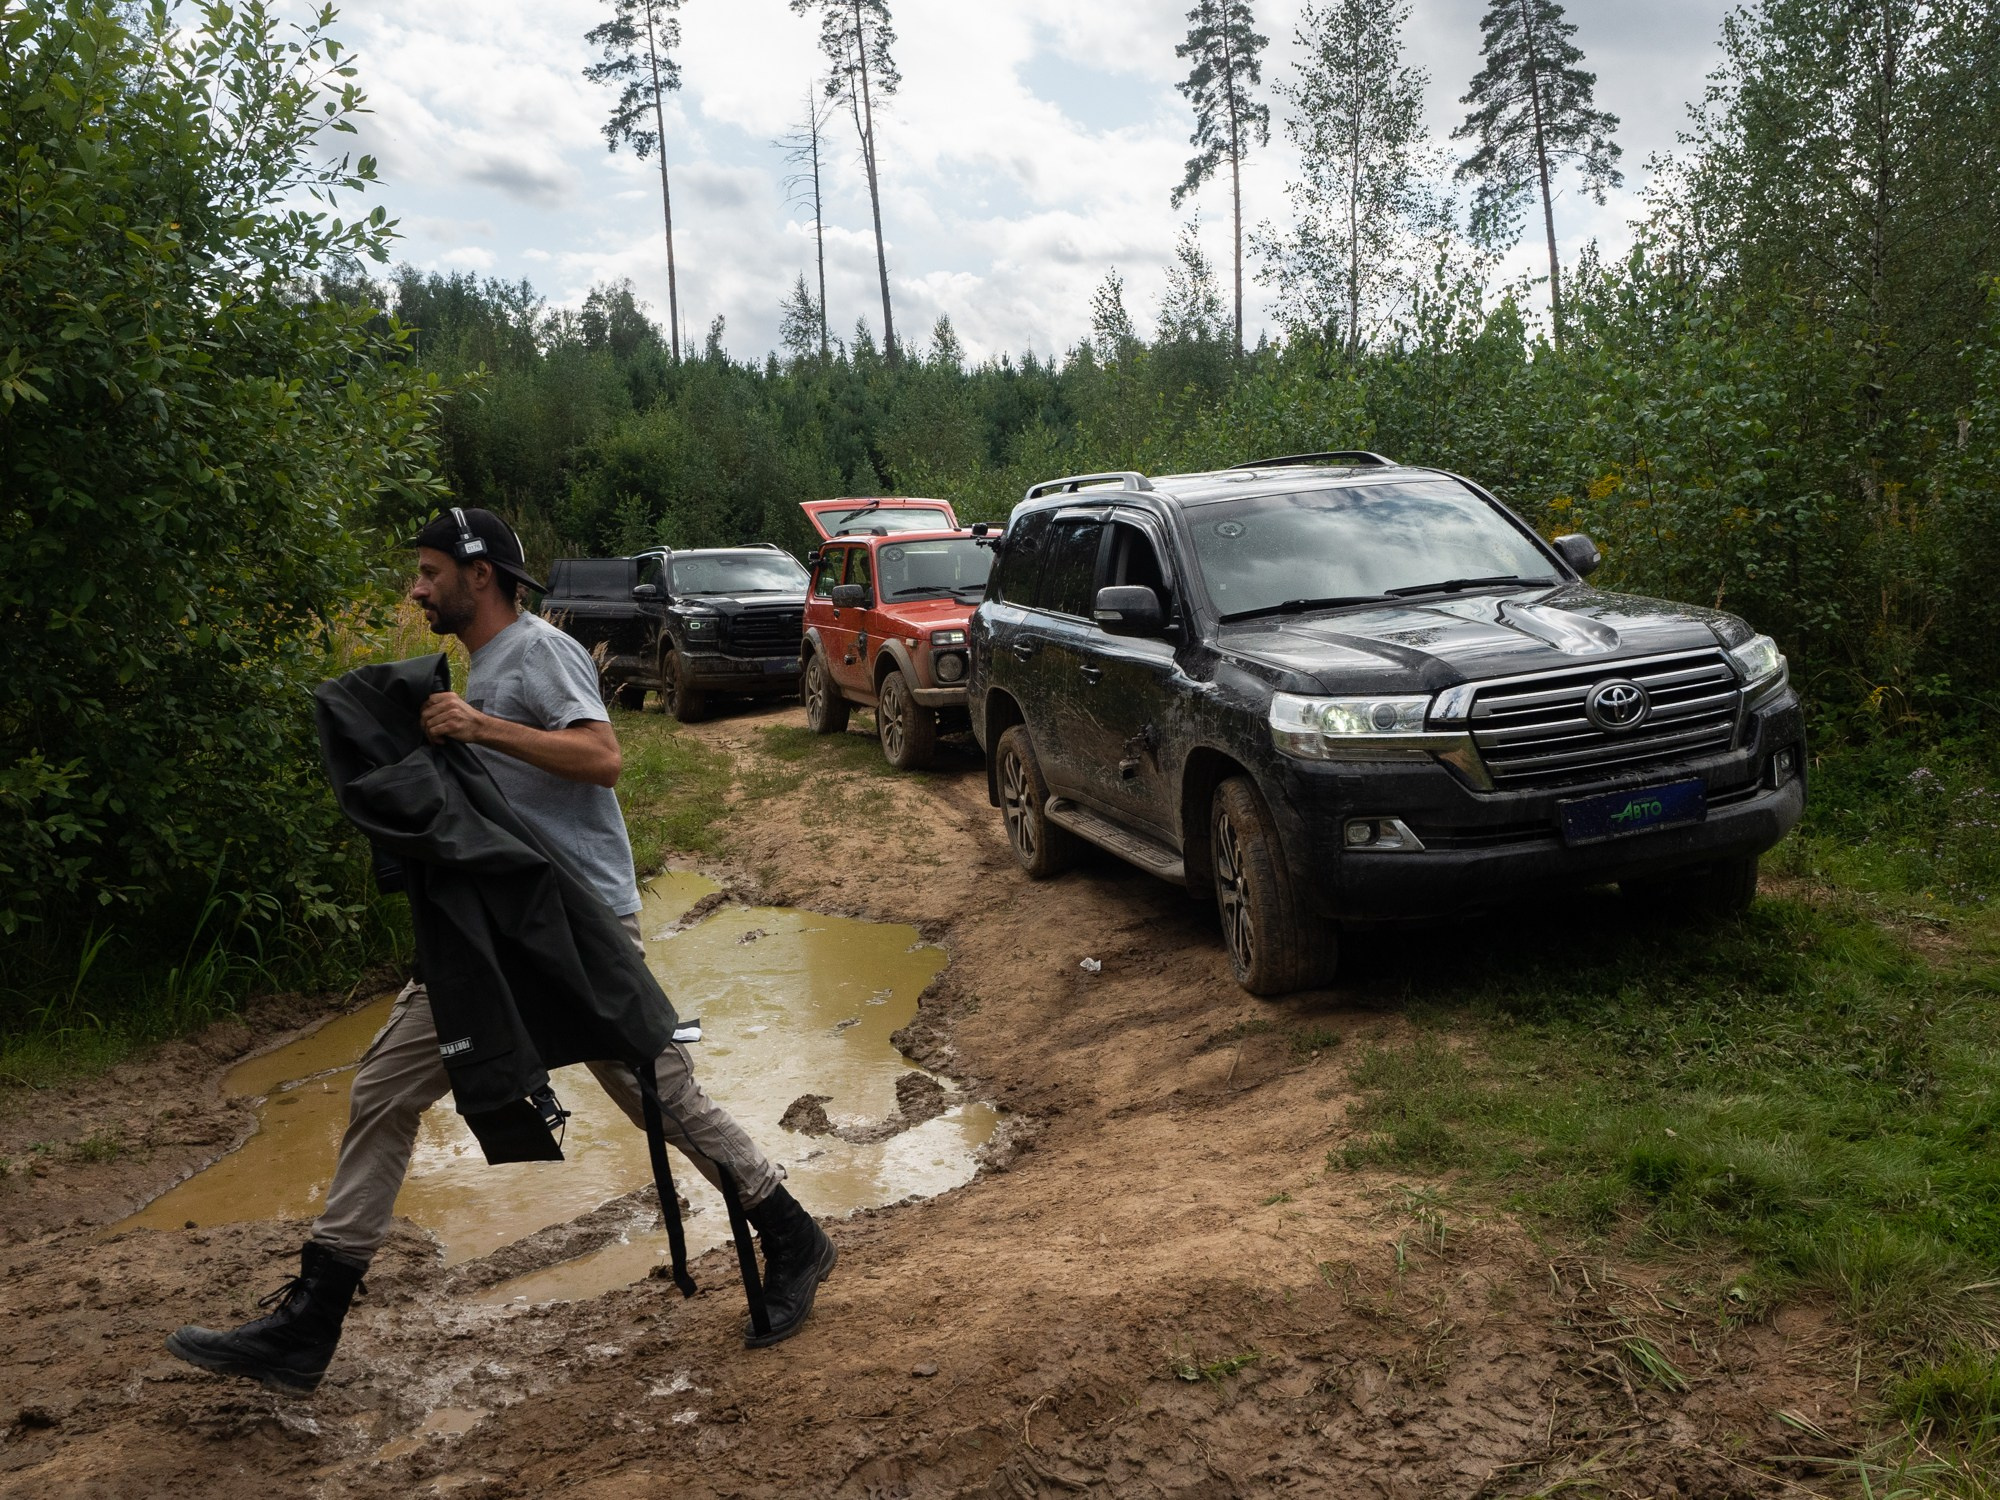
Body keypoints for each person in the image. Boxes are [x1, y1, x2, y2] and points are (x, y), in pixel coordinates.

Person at [167, 508, 836, 1394]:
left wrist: (480, 730)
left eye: (430, 571)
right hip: (497, 930)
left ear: (479, 575)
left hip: (575, 922)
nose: (417, 587)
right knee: (386, 1087)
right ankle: (312, 1319)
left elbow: (601, 757)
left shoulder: (538, 652)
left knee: (656, 1096)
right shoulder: (481, 670)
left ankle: (791, 1233)